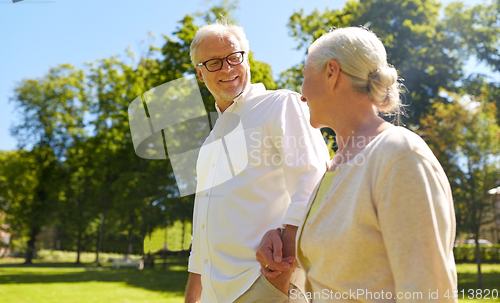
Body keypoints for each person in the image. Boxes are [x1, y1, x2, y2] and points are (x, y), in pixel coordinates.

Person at [258, 27, 458, 302]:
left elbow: (429, 292)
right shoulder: (333, 168)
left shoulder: (399, 155)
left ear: (331, 73)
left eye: (304, 77)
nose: (301, 95)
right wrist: (279, 237)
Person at [184, 21, 330, 303]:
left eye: (234, 57)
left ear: (246, 59)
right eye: (213, 63)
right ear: (200, 74)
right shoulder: (208, 145)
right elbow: (201, 231)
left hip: (263, 286)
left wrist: (276, 284)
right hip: (216, 297)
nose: (227, 69)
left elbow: (314, 186)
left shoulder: (281, 105)